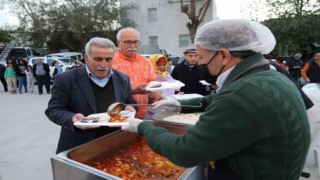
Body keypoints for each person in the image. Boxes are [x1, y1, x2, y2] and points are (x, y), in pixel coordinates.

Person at [121, 19, 310, 180]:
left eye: (201, 58)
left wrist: (142, 127)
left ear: (224, 55)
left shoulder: (241, 95)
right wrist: (180, 104)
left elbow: (184, 151)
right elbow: (218, 99)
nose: (199, 64)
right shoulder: (267, 75)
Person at [45, 37, 137, 154]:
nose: (104, 65)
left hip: (115, 144)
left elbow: (130, 102)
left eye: (108, 59)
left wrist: (131, 108)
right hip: (79, 146)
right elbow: (53, 110)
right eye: (98, 59)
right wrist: (72, 118)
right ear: (86, 57)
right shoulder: (65, 79)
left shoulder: (123, 79)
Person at [112, 27, 162, 118]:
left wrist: (160, 98)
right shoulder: (111, 62)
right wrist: (133, 91)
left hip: (144, 113)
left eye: (135, 42)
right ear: (118, 43)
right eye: (128, 42)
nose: (132, 46)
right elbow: (110, 92)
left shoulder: (145, 61)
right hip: (120, 114)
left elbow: (152, 84)